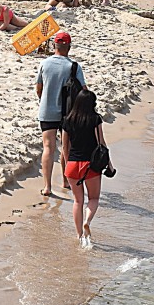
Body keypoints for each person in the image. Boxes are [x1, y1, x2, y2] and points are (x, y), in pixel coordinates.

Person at [34, 31, 85, 197]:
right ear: (68, 47)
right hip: (67, 113)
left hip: (47, 110)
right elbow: (84, 92)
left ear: (54, 46)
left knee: (48, 148)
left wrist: (45, 100)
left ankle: (47, 187)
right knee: (66, 148)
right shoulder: (74, 66)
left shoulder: (44, 63)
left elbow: (38, 89)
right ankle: (65, 181)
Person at [62, 88, 111, 249]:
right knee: (94, 198)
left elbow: (64, 148)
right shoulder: (95, 119)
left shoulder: (68, 120)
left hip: (73, 165)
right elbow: (101, 144)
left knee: (77, 200)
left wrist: (69, 164)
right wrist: (109, 164)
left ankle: (79, 235)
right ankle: (87, 222)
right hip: (90, 165)